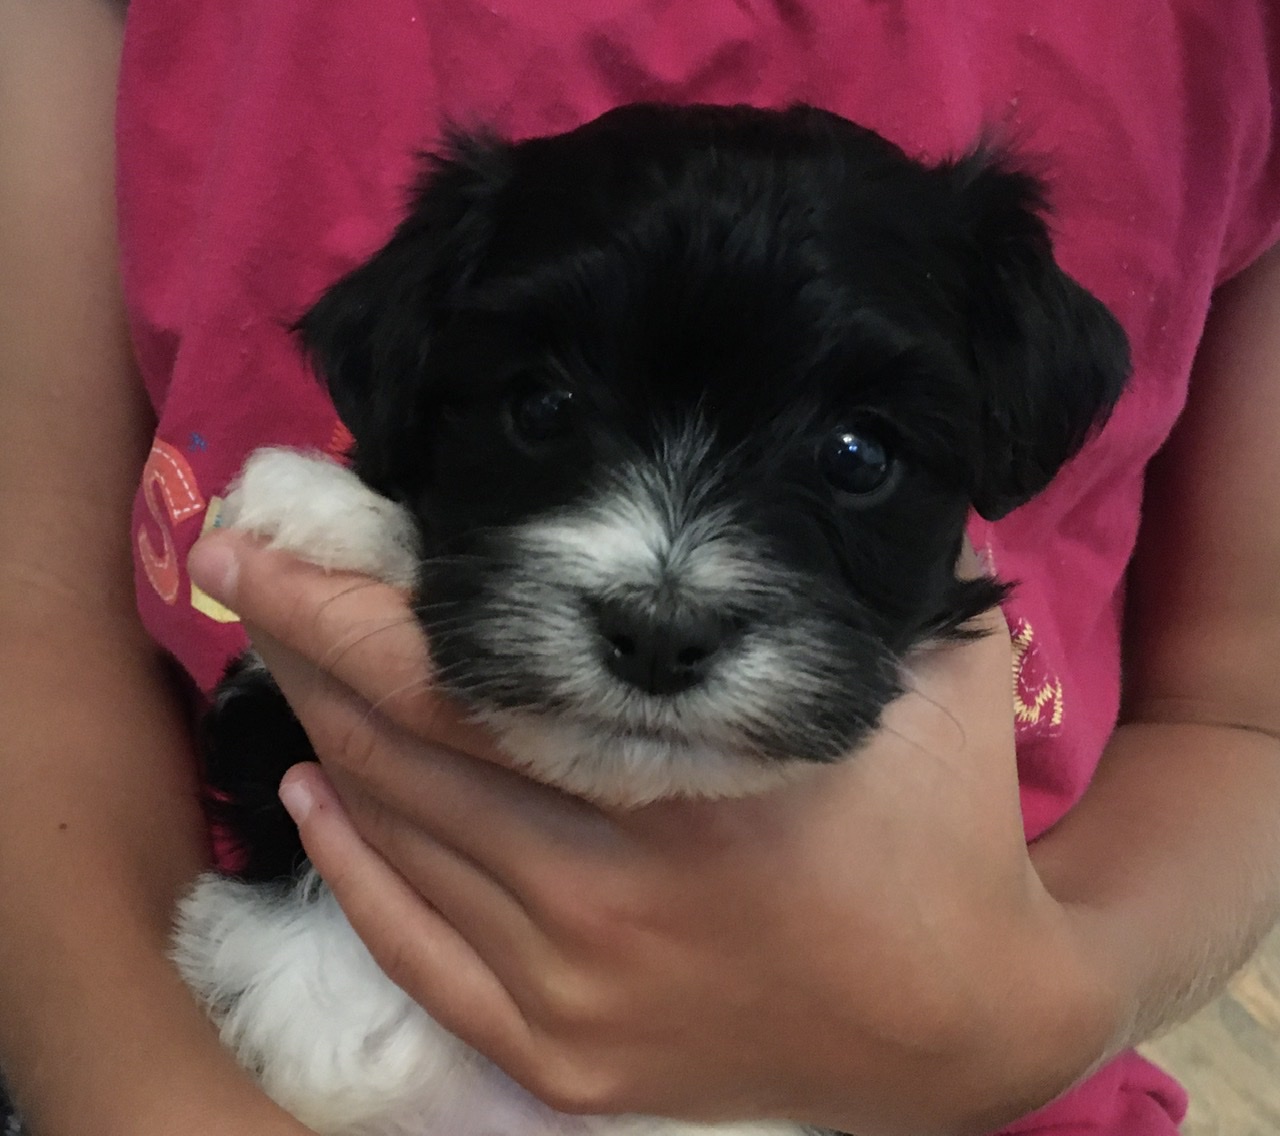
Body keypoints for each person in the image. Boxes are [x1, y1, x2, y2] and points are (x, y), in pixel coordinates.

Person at [2, 1, 1279, 1134]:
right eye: (543, 411)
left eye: (851, 455)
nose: (667, 600)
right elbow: (36, 609)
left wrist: (1033, 1013)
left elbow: (1243, 708)